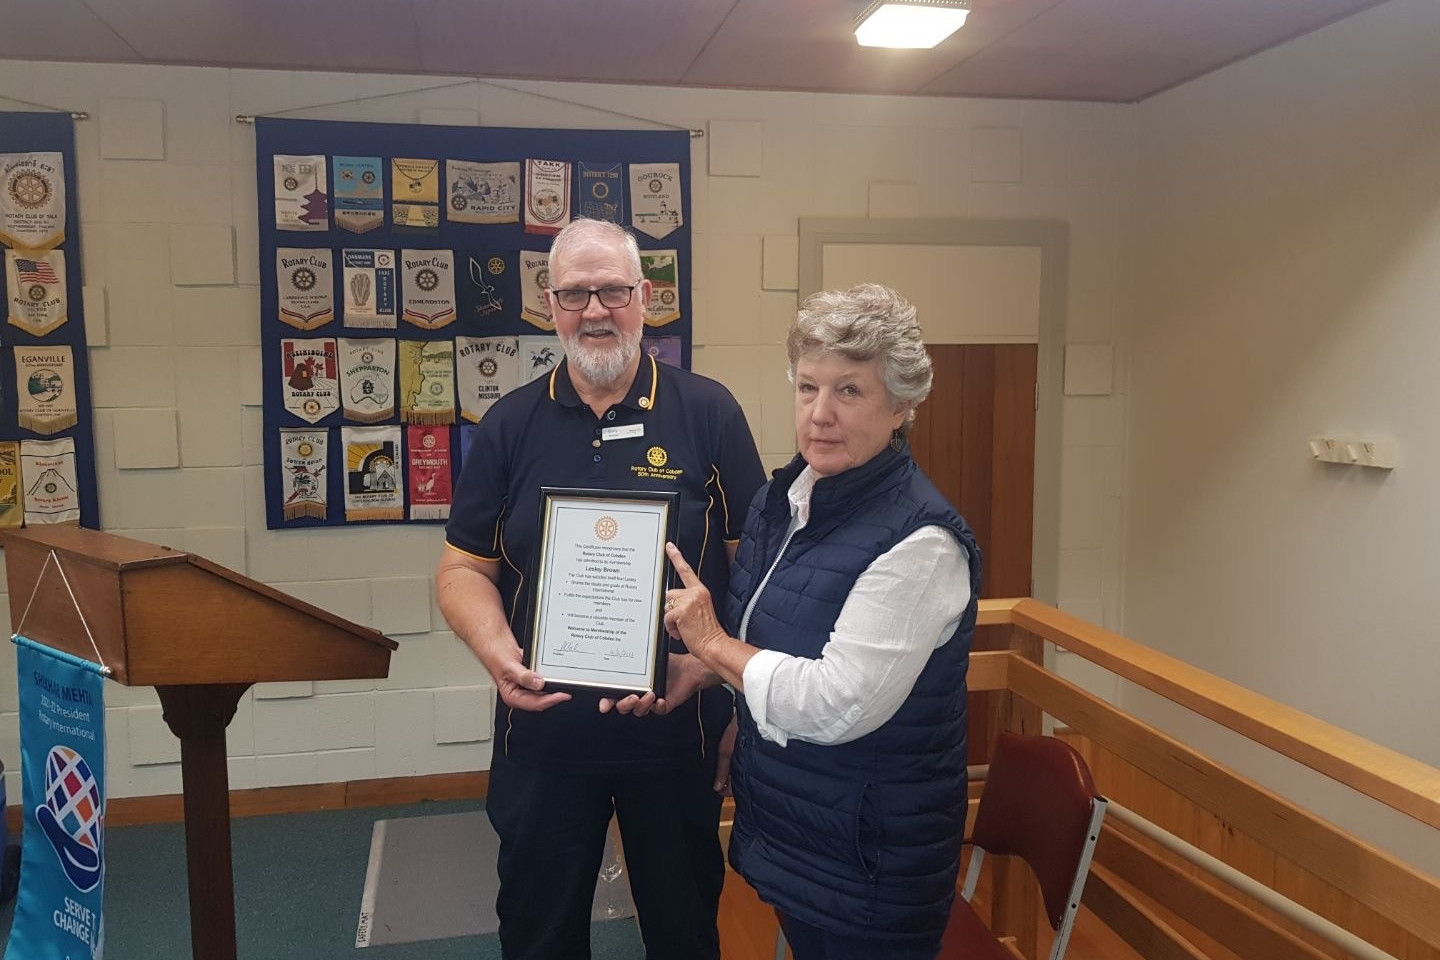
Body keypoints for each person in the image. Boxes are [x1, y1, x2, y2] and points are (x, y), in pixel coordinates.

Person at [436, 217, 765, 960]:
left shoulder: (709, 413)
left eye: (611, 290)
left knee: (685, 936)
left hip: (677, 733)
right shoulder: (509, 425)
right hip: (545, 732)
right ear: (548, 304)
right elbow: (462, 570)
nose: (594, 310)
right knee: (538, 935)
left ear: (644, 297)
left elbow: (762, 569)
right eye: (575, 293)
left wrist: (717, 668)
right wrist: (497, 655)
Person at [659, 283, 981, 960]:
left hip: (869, 864)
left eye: (850, 391)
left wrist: (714, 646)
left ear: (901, 406)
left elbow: (835, 703)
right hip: (801, 835)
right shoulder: (787, 501)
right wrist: (711, 673)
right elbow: (776, 641)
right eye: (808, 388)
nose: (821, 414)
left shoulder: (921, 544)